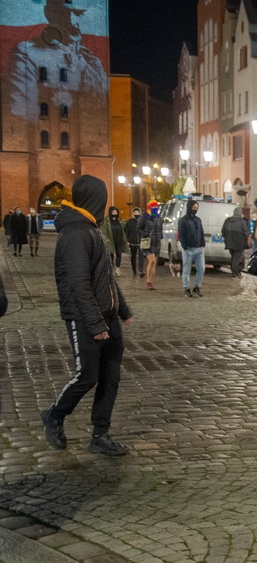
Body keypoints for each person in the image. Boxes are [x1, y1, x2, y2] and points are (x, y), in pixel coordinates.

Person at [41, 175, 133, 457]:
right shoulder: (76, 232)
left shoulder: (93, 229)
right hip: (83, 317)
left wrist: (122, 309)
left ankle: (100, 434)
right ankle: (54, 415)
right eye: (103, 199)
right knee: (87, 375)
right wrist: (95, 324)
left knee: (110, 376)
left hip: (107, 315)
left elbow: (104, 277)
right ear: (95, 199)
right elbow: (79, 284)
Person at [178, 199, 206, 297]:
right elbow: (181, 234)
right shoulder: (183, 220)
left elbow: (201, 232)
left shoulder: (198, 220)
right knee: (186, 270)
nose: (195, 209)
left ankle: (196, 287)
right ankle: (186, 288)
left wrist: (202, 244)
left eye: (197, 208)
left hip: (199, 249)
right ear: (189, 207)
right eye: (194, 208)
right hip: (188, 249)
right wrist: (185, 246)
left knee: (201, 269)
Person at [138, 200, 163, 290]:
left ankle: (151, 281)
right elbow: (138, 228)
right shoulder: (144, 216)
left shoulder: (159, 217)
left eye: (156, 207)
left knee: (154, 263)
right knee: (151, 260)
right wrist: (145, 233)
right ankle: (148, 281)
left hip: (157, 243)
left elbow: (160, 228)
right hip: (148, 242)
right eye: (153, 207)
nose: (155, 209)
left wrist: (161, 236)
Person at [222, 206, 251, 278]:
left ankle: (235, 270)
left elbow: (223, 231)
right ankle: (235, 272)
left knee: (233, 256)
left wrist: (226, 238)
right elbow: (246, 232)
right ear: (240, 213)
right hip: (239, 242)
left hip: (229, 242)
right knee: (236, 257)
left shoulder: (227, 220)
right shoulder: (242, 221)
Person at [99, 206, 127, 276]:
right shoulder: (106, 221)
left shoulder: (119, 221)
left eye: (116, 212)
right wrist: (106, 239)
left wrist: (124, 239)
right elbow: (104, 230)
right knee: (111, 255)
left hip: (119, 240)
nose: (115, 213)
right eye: (113, 212)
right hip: (111, 241)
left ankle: (117, 268)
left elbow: (123, 230)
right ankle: (110, 269)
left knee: (119, 254)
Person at [124, 207, 144, 277]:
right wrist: (128, 240)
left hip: (141, 241)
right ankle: (134, 270)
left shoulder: (142, 221)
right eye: (135, 212)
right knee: (133, 256)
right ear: (133, 213)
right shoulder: (129, 222)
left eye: (138, 212)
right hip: (132, 242)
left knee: (141, 256)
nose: (136, 214)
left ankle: (140, 270)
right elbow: (126, 231)